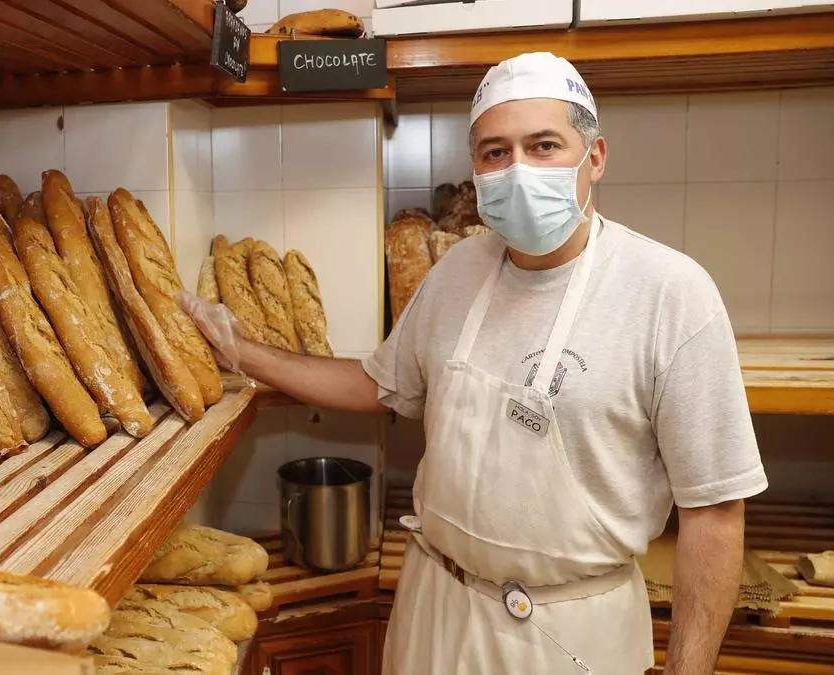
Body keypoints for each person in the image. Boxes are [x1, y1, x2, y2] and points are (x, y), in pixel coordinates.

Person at [180, 52, 767, 674]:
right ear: (477, 169)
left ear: (594, 157)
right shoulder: (457, 270)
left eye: (544, 146)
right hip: (435, 607)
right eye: (496, 152)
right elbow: (377, 385)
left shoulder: (669, 292)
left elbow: (714, 512)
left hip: (569, 631)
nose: (518, 170)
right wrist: (241, 350)